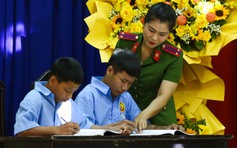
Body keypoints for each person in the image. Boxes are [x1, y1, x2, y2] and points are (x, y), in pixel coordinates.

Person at [75, 49, 184, 133]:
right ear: (109, 71)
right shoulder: (88, 95)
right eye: (123, 81)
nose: (125, 87)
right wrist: (111, 129)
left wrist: (166, 129)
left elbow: (139, 125)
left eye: (130, 83)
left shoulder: (125, 97)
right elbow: (80, 129)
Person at [115, 2, 183, 130]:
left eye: (162, 34)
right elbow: (113, 77)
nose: (154, 38)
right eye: (151, 30)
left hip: (160, 118)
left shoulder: (173, 56)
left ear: (169, 33)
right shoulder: (125, 43)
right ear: (143, 23)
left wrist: (142, 116)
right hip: (124, 112)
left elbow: (164, 95)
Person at [14, 57, 94, 136]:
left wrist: (105, 129)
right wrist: (57, 130)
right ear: (53, 81)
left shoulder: (69, 104)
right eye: (67, 90)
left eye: (73, 92)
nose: (70, 96)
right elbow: (22, 130)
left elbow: (85, 125)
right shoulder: (35, 97)